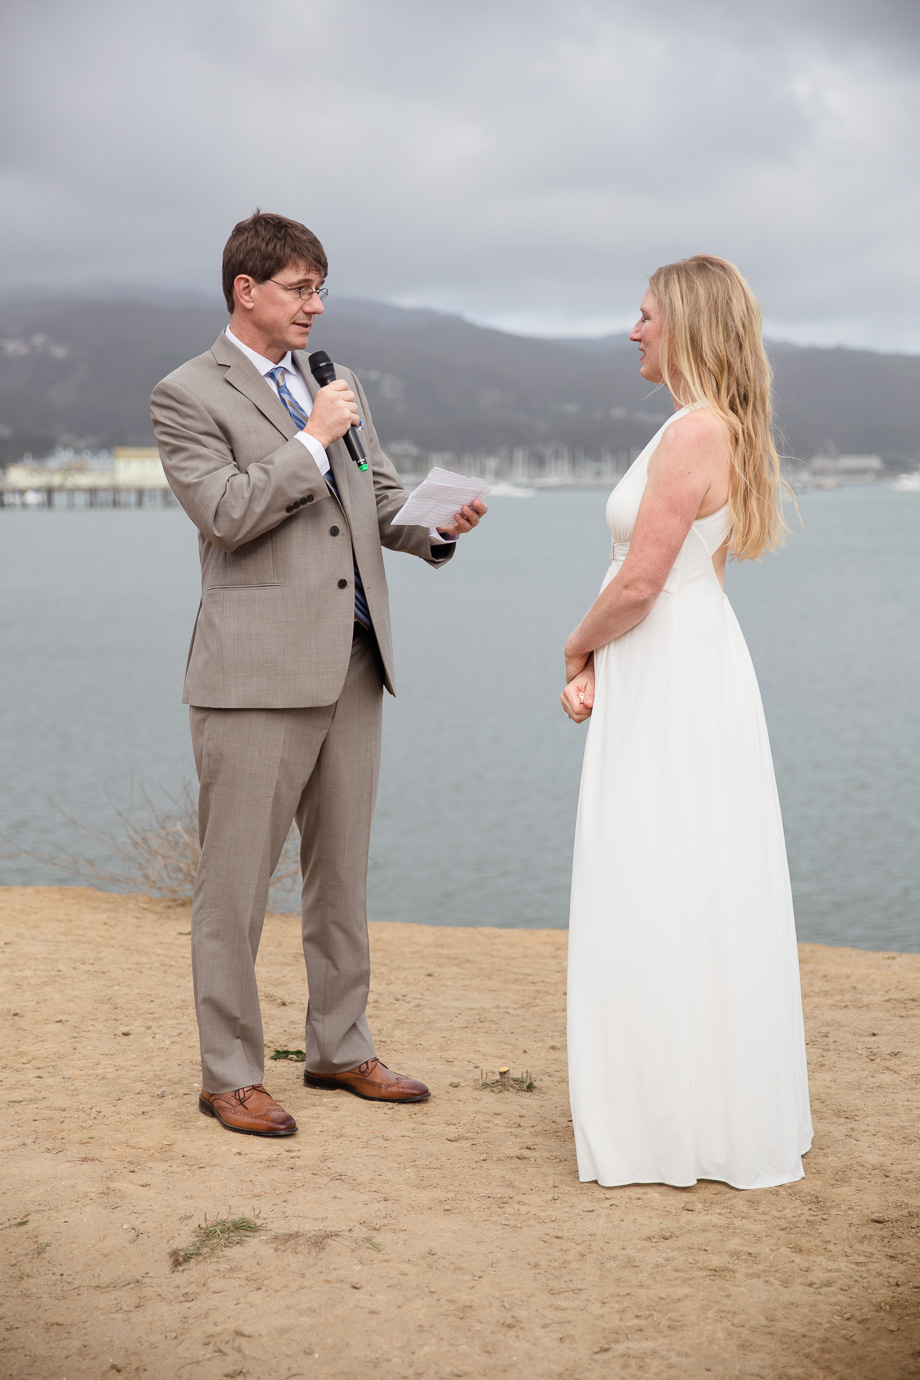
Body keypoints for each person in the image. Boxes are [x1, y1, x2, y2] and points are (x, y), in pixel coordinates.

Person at [150, 211, 486, 1137]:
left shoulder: (333, 382)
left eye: (321, 287)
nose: (317, 305)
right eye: (300, 288)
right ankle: (230, 1074)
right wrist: (308, 443)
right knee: (235, 884)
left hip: (354, 663)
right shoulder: (184, 395)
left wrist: (433, 525)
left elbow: (370, 494)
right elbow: (224, 513)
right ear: (244, 292)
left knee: (341, 875)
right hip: (253, 675)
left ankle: (340, 1048)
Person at [561, 255, 812, 1190]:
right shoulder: (711, 428)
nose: (632, 331)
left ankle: (670, 1118)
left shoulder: (693, 434)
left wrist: (577, 650)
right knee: (692, 867)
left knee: (657, 866)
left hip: (671, 668)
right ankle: (693, 1099)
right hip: (687, 662)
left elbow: (640, 582)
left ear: (685, 326)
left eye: (643, 316)